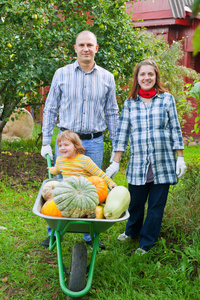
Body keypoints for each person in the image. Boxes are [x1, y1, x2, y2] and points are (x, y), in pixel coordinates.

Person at [40, 30, 119, 249]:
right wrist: (46, 141)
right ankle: (55, 231)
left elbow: (112, 113)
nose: (86, 48)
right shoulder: (61, 74)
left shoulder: (107, 77)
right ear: (75, 48)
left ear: (96, 49)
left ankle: (90, 235)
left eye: (89, 45)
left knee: (93, 189)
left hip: (92, 142)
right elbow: (51, 108)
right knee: (60, 188)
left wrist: (116, 149)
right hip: (65, 143)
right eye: (81, 45)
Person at [106, 59, 187, 255]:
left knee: (156, 207)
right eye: (143, 74)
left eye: (150, 74)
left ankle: (145, 243)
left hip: (163, 163)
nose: (147, 78)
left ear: (156, 76)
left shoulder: (167, 99)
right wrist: (115, 162)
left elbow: (175, 129)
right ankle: (131, 232)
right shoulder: (130, 104)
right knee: (135, 203)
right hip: (138, 164)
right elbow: (122, 134)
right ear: (137, 78)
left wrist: (180, 157)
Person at [48, 130, 116, 191]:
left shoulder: (84, 160)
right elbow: (57, 170)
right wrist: (51, 170)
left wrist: (110, 182)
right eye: (60, 146)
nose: (62, 148)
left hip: (83, 191)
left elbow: (98, 173)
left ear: (75, 146)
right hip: (68, 191)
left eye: (66, 145)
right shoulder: (60, 160)